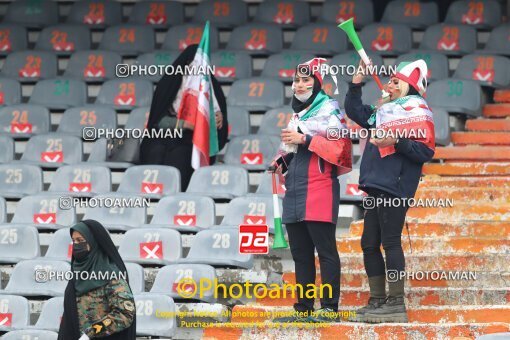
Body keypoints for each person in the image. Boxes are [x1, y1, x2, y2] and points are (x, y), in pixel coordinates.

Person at [344, 59, 435, 323]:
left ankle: (396, 303)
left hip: (395, 187)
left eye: (395, 81)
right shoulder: (384, 111)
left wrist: (396, 140)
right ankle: (377, 301)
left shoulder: (418, 110)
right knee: (369, 244)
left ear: (409, 86)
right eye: (389, 80)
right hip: (376, 186)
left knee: (390, 242)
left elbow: (426, 151)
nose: (389, 84)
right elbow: (354, 110)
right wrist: (357, 80)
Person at [271, 58, 352, 323]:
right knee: (301, 254)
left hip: (320, 188)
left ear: (317, 83)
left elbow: (341, 147)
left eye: (306, 80)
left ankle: (329, 308)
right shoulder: (298, 114)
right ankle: (303, 308)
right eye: (297, 80)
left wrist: (304, 138)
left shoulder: (330, 109)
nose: (300, 84)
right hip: (295, 191)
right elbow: (293, 150)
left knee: (326, 251)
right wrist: (281, 161)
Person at [139, 44, 229, 191]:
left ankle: (175, 196)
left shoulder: (209, 84)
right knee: (155, 151)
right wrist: (184, 124)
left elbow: (217, 119)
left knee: (180, 155)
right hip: (166, 133)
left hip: (192, 140)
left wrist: (219, 118)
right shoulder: (168, 83)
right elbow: (157, 121)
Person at [58, 220, 136, 339]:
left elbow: (125, 314)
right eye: (74, 241)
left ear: (93, 242)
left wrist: (92, 332)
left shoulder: (111, 275)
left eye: (80, 240)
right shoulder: (77, 273)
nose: (76, 245)